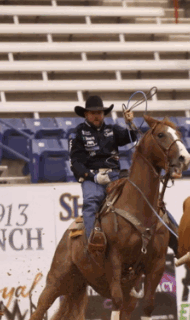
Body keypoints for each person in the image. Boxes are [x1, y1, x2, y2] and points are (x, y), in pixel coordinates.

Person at [68, 95, 179, 259]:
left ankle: (177, 238)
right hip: (93, 178)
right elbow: (75, 162)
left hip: (115, 175)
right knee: (92, 202)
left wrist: (129, 123)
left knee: (146, 197)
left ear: (104, 114)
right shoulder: (78, 133)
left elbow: (133, 137)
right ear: (86, 114)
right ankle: (93, 243)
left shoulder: (112, 130)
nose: (97, 115)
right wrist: (93, 176)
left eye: (99, 112)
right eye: (93, 113)